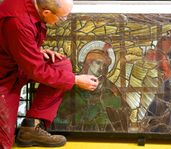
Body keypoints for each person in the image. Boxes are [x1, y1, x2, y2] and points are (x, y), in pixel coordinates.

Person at [0, 0, 99, 148]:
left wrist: (33, 51)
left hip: (17, 63)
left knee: (61, 65)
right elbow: (36, 71)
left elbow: (14, 40)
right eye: (62, 18)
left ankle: (31, 128)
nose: (64, 20)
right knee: (4, 143)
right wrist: (75, 80)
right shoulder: (18, 21)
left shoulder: (33, 7)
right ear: (46, 12)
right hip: (4, 77)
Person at [54, 43, 130, 132]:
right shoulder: (74, 81)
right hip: (73, 132)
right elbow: (61, 113)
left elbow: (124, 109)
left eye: (104, 66)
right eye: (98, 63)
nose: (101, 68)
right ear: (88, 62)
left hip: (105, 133)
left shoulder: (109, 86)